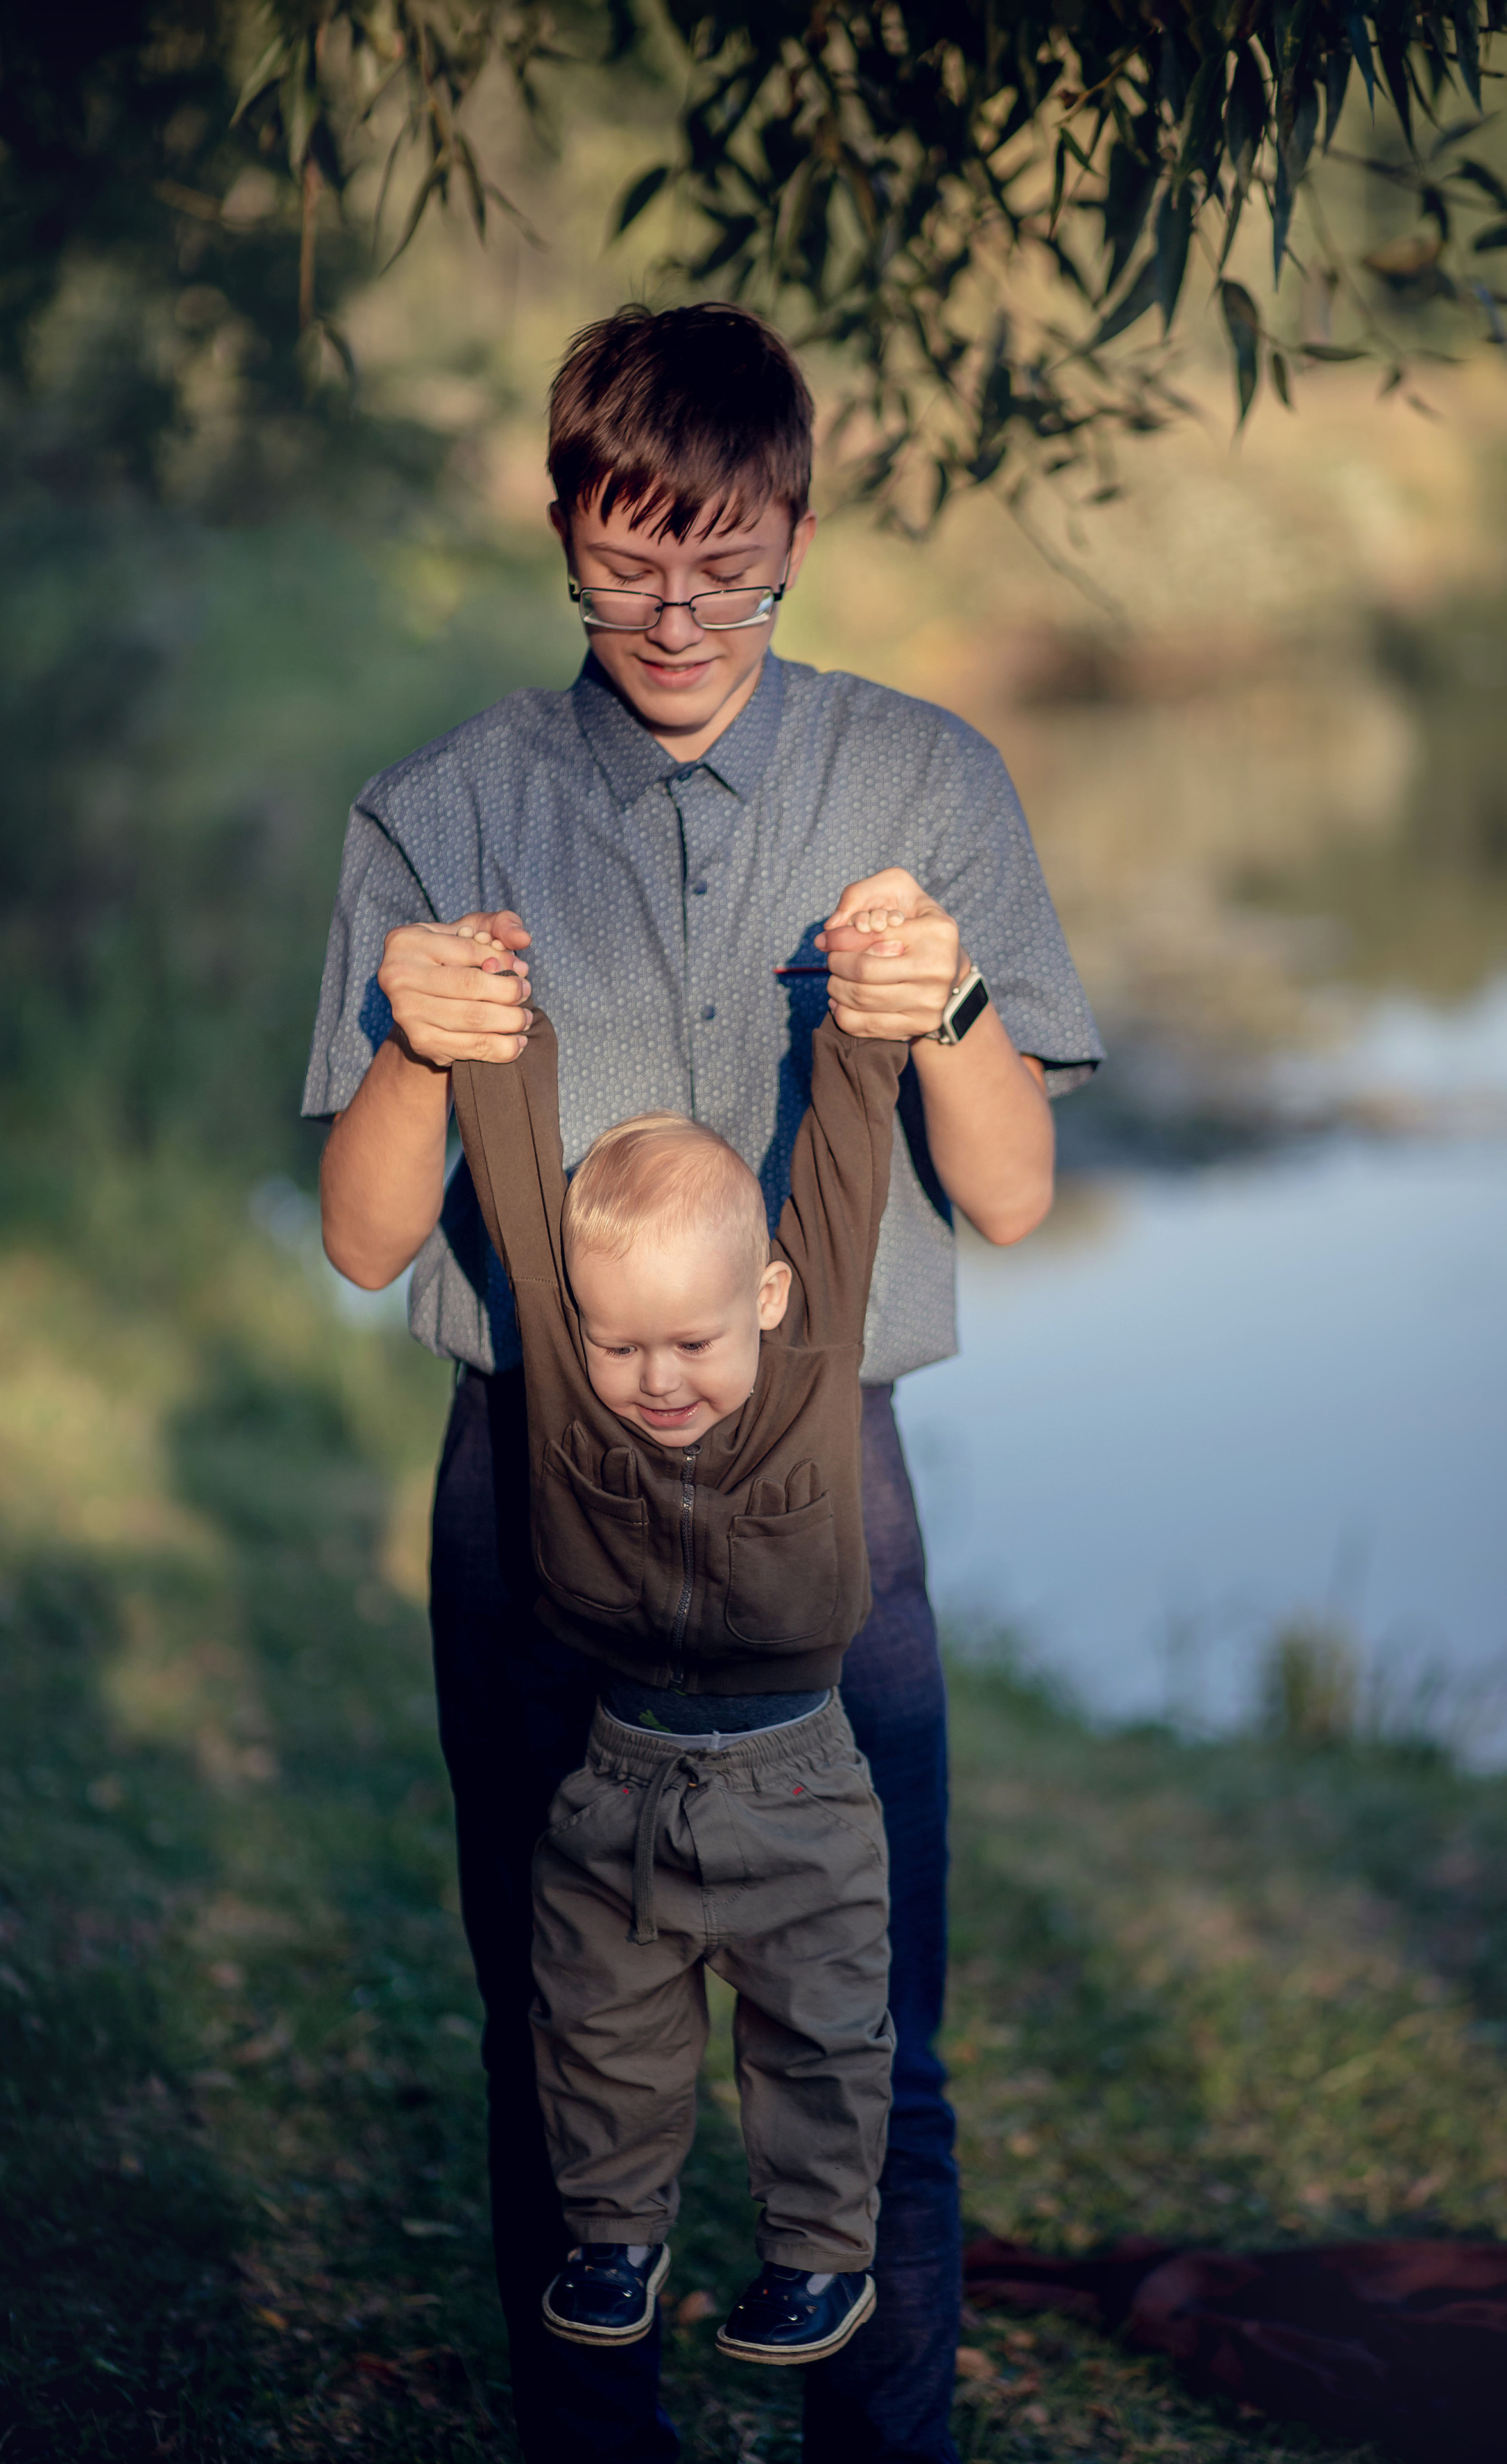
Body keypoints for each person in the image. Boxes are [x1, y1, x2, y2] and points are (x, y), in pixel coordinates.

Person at [307, 302, 1101, 2464]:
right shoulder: (442, 807)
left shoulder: (924, 775)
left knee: (870, 2032)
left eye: (731, 558)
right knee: (559, 2029)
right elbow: (370, 1237)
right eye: (634, 553)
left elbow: (1012, 1199)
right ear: (563, 520)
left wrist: (942, 1018)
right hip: (527, 1497)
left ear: (799, 533)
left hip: (833, 1502)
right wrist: (410, 1043)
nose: (681, 607)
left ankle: (884, 2441)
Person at [449, 974, 911, 2367]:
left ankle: (820, 2259)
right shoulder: (569, 1376)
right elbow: (525, 1202)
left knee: (821, 2035)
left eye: (691, 1343)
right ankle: (613, 2237)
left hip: (799, 1785)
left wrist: (862, 1028)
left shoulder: (806, 1355)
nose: (656, 1380)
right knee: (598, 2031)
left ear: (766, 1299)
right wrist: (502, 1034)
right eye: (619, 1345)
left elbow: (840, 1167)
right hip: (619, 1778)